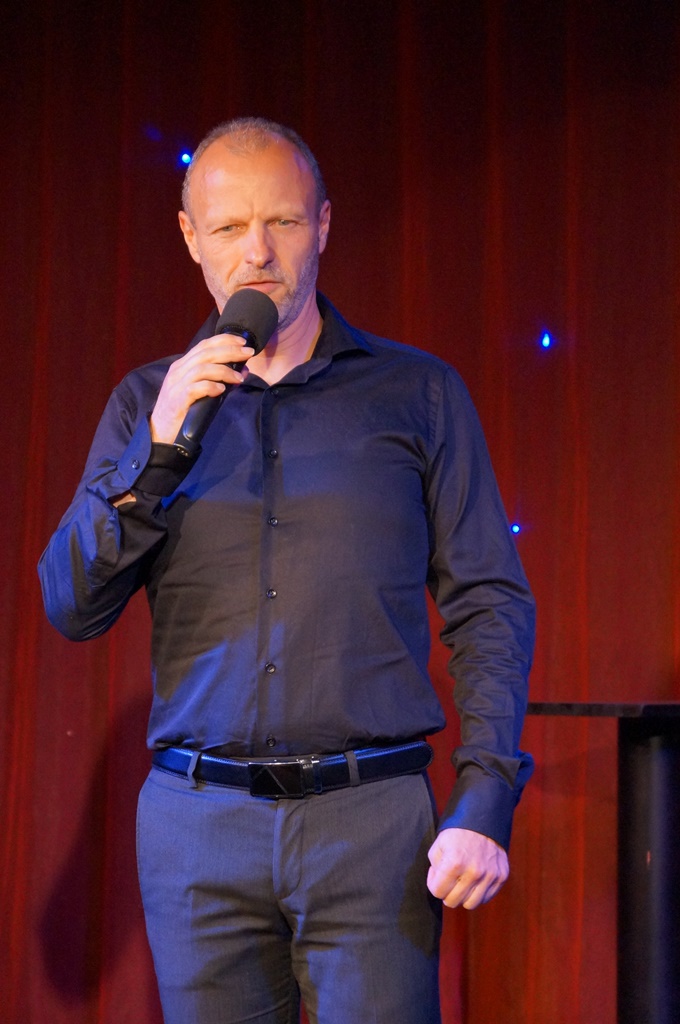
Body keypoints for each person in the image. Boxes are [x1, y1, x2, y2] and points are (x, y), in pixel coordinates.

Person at [38, 117, 535, 1024]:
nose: (258, 252)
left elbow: (489, 602)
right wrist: (156, 454)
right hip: (198, 828)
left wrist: (486, 795)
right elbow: (72, 605)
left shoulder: (418, 393)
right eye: (229, 227)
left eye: (284, 222)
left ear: (325, 225)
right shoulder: (147, 403)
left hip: (372, 824)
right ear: (190, 238)